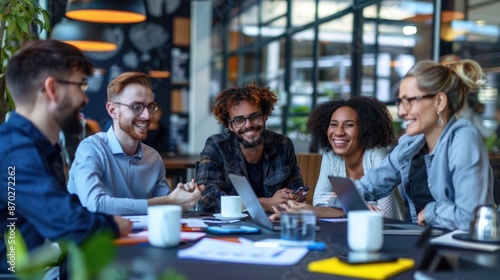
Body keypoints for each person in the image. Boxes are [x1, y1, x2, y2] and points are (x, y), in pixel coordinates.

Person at [0, 40, 132, 273]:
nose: (85, 99)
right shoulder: (13, 152)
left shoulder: (37, 146)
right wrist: (111, 225)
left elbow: (61, 208)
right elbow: (65, 222)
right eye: (80, 85)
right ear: (52, 89)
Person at [356, 59, 494, 231]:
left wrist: (430, 213)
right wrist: (343, 204)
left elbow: (471, 218)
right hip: (425, 242)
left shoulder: (463, 138)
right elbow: (369, 186)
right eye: (400, 102)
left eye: (409, 101)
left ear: (439, 102)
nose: (401, 112)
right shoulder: (411, 143)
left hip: (459, 252)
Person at [67, 72, 204, 215]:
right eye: (136, 107)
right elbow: (95, 204)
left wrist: (183, 198)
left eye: (150, 107)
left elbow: (166, 209)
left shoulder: (153, 158)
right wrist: (169, 201)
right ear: (113, 110)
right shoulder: (91, 149)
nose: (147, 116)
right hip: (94, 237)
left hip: (139, 237)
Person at [271, 96, 405, 220]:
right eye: (334, 124)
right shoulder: (331, 155)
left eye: (349, 125)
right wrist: (359, 206)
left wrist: (339, 200)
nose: (339, 132)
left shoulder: (376, 153)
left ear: (365, 130)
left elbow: (387, 213)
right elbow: (319, 199)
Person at [197, 82, 305, 213]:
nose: (248, 125)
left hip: (274, 223)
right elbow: (206, 199)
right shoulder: (217, 146)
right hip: (231, 226)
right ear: (230, 126)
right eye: (239, 120)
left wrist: (292, 198)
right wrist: (266, 203)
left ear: (264, 117)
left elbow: (297, 193)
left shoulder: (283, 145)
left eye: (254, 117)